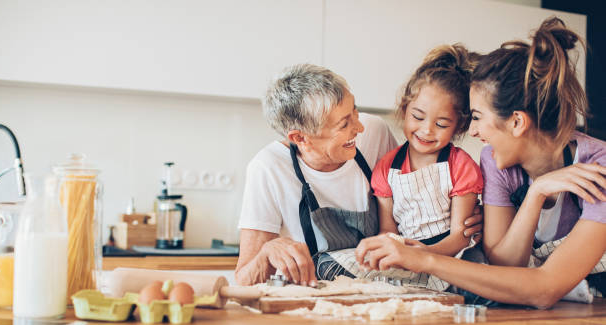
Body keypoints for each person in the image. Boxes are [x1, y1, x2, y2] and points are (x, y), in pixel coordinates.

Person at [356, 17, 606, 308]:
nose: (472, 131)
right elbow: (505, 265)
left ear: (516, 122)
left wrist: (425, 259)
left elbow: (544, 289)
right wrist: (536, 194)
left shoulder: (598, 168)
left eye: (476, 117)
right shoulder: (497, 161)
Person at [235, 64, 483, 286]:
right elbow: (243, 277)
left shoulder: (374, 132)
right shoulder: (267, 168)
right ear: (300, 138)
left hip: (384, 288)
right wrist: (268, 252)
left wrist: (464, 220)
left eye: (354, 110)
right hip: (318, 299)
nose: (359, 126)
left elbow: (413, 200)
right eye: (344, 124)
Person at [369, 44, 483, 291]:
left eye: (441, 124)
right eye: (418, 117)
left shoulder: (461, 166)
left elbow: (460, 236)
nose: (426, 130)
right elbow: (388, 233)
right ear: (404, 109)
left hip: (452, 258)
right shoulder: (386, 168)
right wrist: (400, 254)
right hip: (406, 257)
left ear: (459, 126)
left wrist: (426, 255)